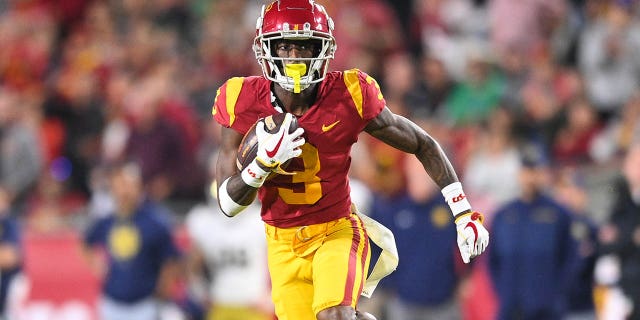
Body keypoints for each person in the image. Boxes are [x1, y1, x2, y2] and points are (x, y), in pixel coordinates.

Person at [211, 1, 490, 319]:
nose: (294, 58)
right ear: (265, 49)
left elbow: (422, 143)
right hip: (281, 242)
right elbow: (228, 204)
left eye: (305, 47)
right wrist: (261, 166)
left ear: (324, 49)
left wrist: (463, 212)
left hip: (336, 230)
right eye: (285, 46)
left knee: (334, 314)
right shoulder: (240, 100)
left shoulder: (349, 94)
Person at [82, 161, 182, 320]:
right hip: (112, 301)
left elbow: (170, 261)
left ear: (139, 188)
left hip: (144, 303)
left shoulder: (155, 222)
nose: (123, 192)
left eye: (128, 186)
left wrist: (162, 292)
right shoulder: (107, 220)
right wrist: (98, 266)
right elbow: (86, 243)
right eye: (119, 185)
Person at [488, 146, 577, 320]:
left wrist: (554, 294)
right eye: (526, 171)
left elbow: (570, 259)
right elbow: (493, 261)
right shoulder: (503, 215)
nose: (531, 177)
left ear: (544, 173)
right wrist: (504, 292)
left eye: (536, 170)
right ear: (519, 173)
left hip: (547, 310)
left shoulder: (559, 215)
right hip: (510, 308)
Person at [598, 143, 640, 320]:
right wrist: (631, 238)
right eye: (631, 162)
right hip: (627, 287)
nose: (631, 168)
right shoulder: (621, 203)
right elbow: (606, 243)